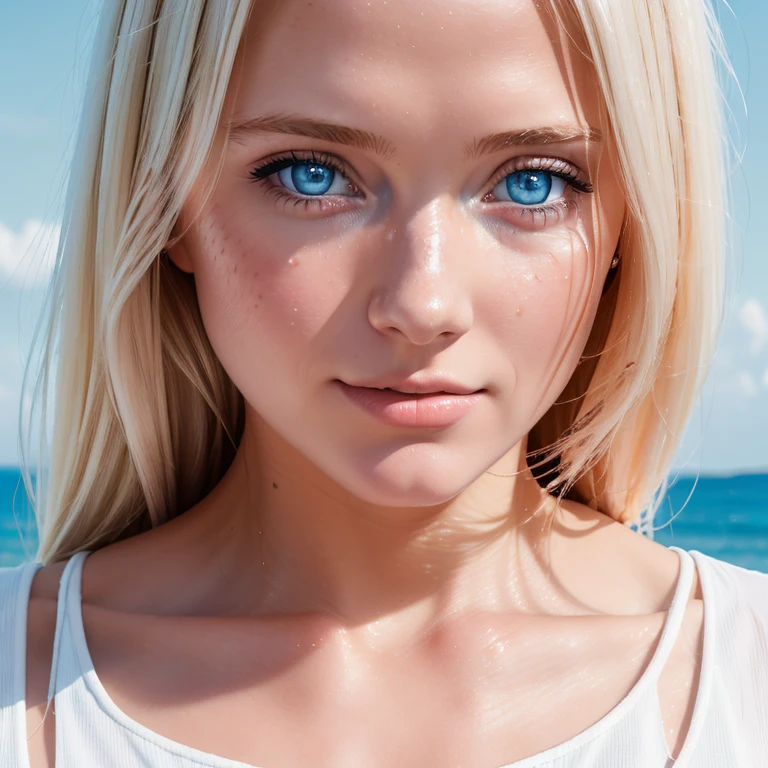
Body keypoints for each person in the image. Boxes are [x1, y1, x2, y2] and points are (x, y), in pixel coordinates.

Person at [1, 0, 766, 765]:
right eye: (314, 175)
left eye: (534, 183)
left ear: (633, 223)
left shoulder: (745, 672)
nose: (423, 303)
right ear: (169, 200)